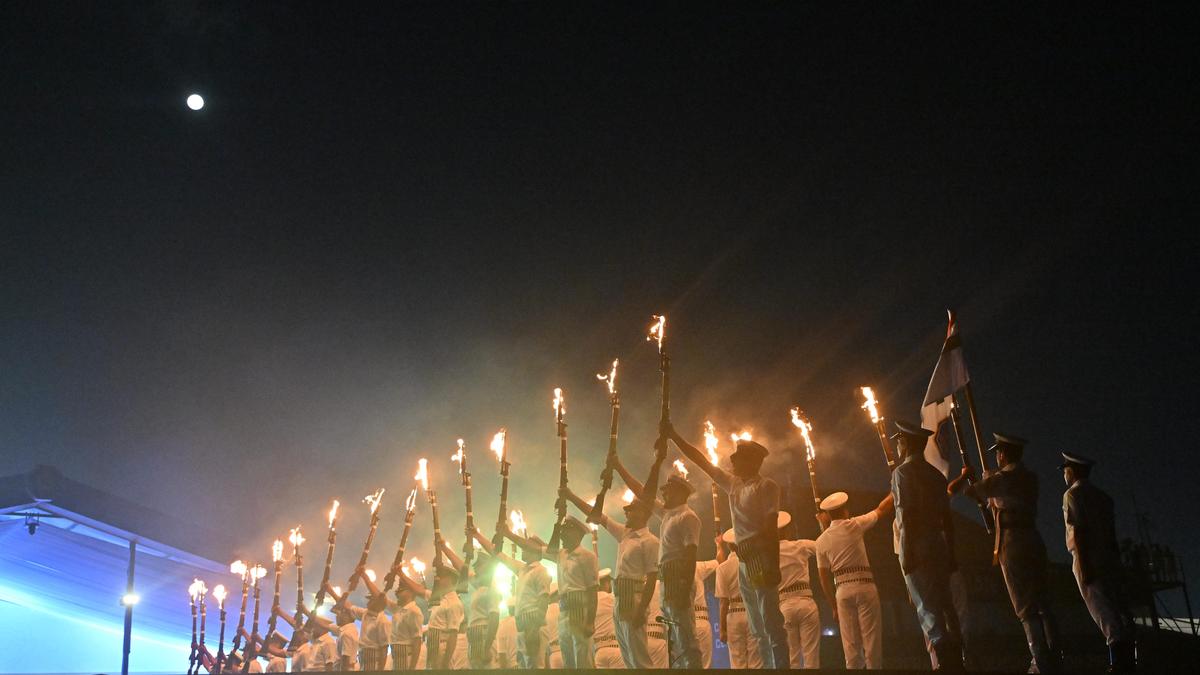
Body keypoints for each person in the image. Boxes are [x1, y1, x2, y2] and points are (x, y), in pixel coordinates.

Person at [665, 424, 790, 668]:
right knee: (757, 627)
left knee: (771, 621)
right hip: (744, 560)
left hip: (762, 556)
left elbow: (770, 526)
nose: (733, 462)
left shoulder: (767, 486)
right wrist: (674, 436)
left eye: (738, 458)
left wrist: (773, 564)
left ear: (752, 461)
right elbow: (701, 461)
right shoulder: (733, 484)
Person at [951, 433, 1061, 673]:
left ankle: (1039, 661)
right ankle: (1055, 655)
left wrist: (985, 479)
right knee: (1043, 602)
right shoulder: (1030, 478)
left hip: (1012, 542)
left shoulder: (1003, 477)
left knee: (1024, 605)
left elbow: (971, 493)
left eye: (998, 453)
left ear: (1003, 453)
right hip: (1033, 538)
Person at [891, 420, 963, 671]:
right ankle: (958, 659)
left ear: (906, 443)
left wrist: (906, 553)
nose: (897, 444)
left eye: (899, 440)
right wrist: (951, 552)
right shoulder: (935, 475)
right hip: (938, 545)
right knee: (945, 603)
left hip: (917, 545)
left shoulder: (901, 473)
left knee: (927, 607)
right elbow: (947, 519)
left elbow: (906, 515)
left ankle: (946, 662)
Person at [562, 482, 660, 668]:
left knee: (640, 659)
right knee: (627, 659)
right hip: (620, 598)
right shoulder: (625, 534)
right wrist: (571, 496)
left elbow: (652, 578)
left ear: (643, 514)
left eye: (631, 510)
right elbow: (597, 516)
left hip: (635, 598)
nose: (626, 513)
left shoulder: (650, 541)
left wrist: (641, 610)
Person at [1060, 452, 1137, 673]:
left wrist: (1083, 565)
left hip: (1088, 557)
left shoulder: (1072, 495)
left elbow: (1079, 530)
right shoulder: (1104, 497)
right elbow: (1112, 534)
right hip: (1109, 559)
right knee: (1120, 610)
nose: (1064, 474)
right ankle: (1129, 661)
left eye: (1065, 470)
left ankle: (1117, 664)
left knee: (1103, 612)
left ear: (1071, 471)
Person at [815, 490, 893, 669]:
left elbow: (824, 578)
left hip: (842, 591)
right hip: (865, 586)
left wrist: (833, 605)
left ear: (827, 514)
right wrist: (894, 489)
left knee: (850, 647)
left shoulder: (821, 540)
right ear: (846, 511)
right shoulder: (855, 525)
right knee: (872, 644)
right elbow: (881, 509)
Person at [474, 523, 553, 668]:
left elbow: (543, 603)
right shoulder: (523, 569)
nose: (523, 547)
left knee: (536, 667)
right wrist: (477, 536)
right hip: (523, 626)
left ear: (535, 551)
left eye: (526, 546)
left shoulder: (541, 571)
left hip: (533, 627)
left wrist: (533, 631)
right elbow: (498, 554)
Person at [549, 515, 599, 668]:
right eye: (562, 532)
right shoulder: (561, 554)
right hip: (564, 610)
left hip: (580, 610)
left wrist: (590, 621)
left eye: (566, 531)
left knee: (583, 658)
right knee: (567, 658)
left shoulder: (587, 556)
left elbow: (592, 592)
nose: (562, 535)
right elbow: (550, 547)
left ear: (578, 533)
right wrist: (557, 525)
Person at [776, 511, 821, 669]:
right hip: (805, 601)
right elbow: (822, 546)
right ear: (788, 530)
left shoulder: (770, 553)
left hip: (784, 605)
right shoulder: (801, 545)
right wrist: (822, 524)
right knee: (811, 657)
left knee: (792, 658)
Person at [716, 529, 760, 669]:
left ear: (729, 546)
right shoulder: (752, 562)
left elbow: (723, 602)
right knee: (756, 661)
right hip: (752, 612)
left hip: (733, 614)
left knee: (737, 662)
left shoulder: (723, 568)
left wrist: (722, 629)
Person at [385, 570, 426, 671]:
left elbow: (417, 641)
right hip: (396, 657)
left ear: (411, 592)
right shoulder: (398, 608)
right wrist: (386, 586)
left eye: (401, 590)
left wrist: (412, 669)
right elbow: (380, 598)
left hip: (407, 658)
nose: (397, 593)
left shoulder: (414, 611)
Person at [593, 569, 624, 668]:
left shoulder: (590, 604)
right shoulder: (612, 599)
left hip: (599, 651)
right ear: (605, 583)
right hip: (615, 649)